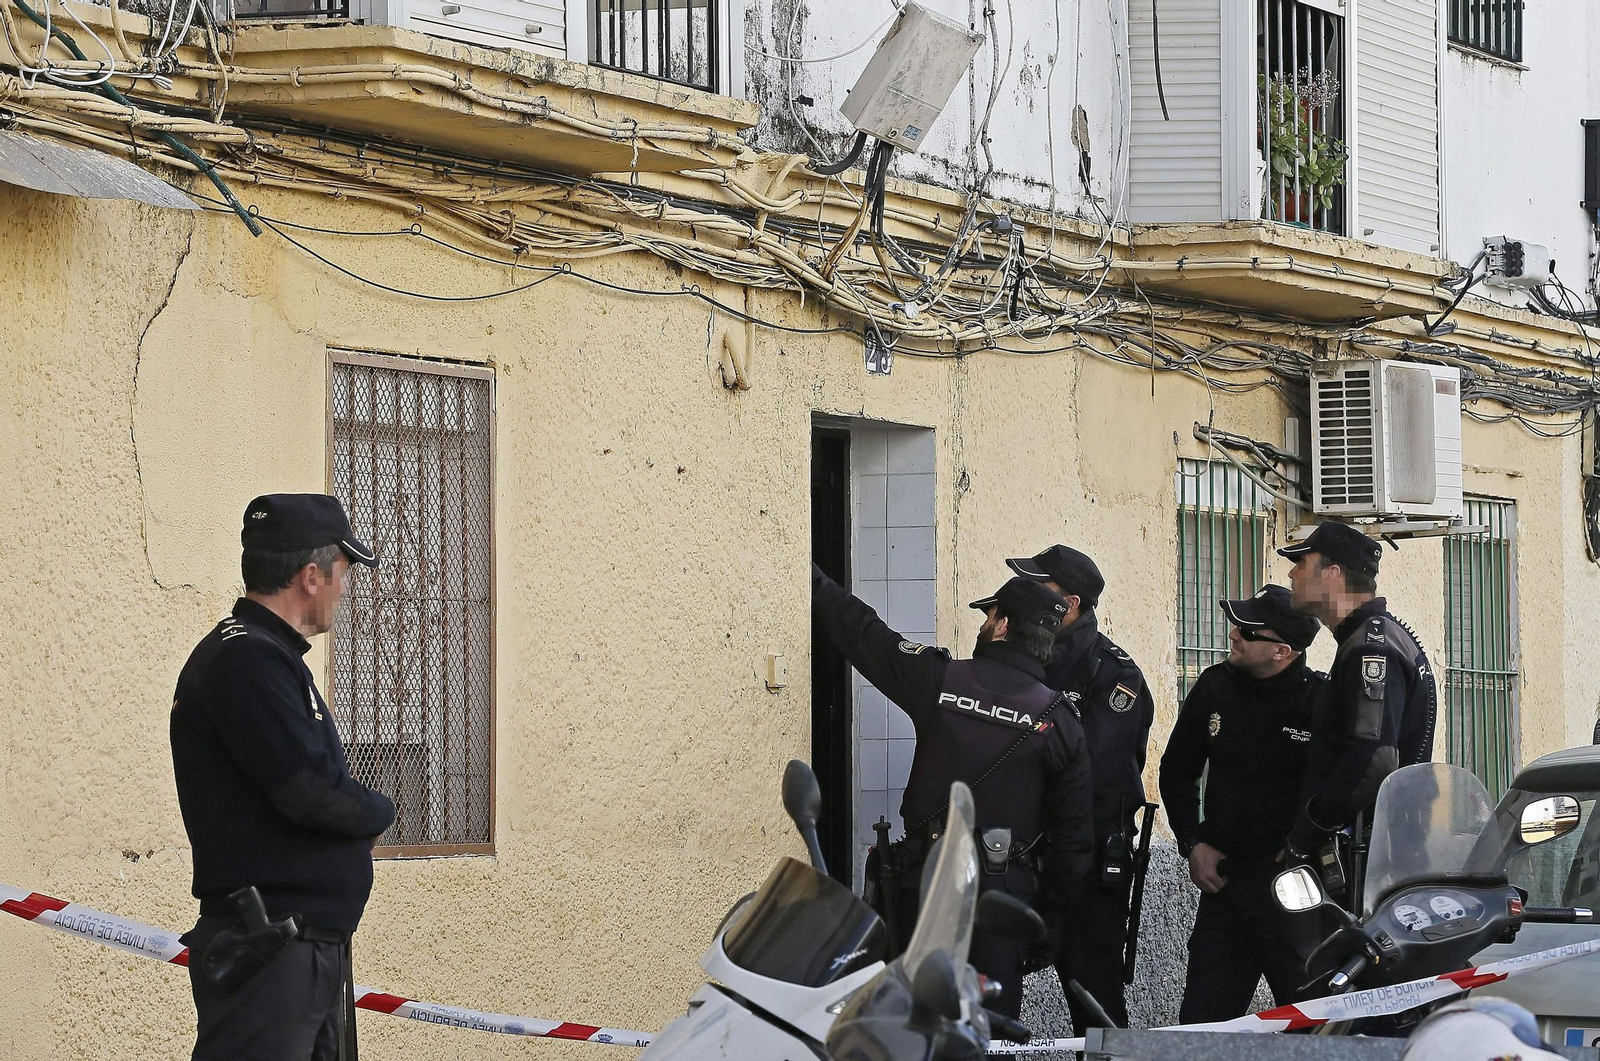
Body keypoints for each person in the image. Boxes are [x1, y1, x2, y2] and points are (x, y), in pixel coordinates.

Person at [811, 562, 1095, 1019]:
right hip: (1003, 904)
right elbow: (1075, 840)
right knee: (987, 1034)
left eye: (989, 616)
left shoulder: (942, 680)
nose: (983, 624)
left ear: (1002, 625)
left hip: (923, 886)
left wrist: (810, 575)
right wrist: (1046, 925)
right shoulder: (1060, 720)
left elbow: (864, 633)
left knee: (905, 1027)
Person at [171, 494, 396, 1061]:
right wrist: (379, 813)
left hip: (299, 945)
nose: (345, 591)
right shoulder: (247, 660)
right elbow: (308, 791)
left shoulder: (269, 656)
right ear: (311, 576)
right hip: (271, 948)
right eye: (343, 574)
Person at [1159, 586, 1326, 1022]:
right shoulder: (1216, 687)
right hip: (1226, 884)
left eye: (1249, 632)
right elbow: (1177, 770)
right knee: (1203, 1024)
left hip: (1296, 892)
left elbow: (1347, 791)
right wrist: (1192, 842)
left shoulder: (1321, 702)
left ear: (1282, 651)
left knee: (1311, 1022)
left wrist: (1301, 848)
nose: (1234, 634)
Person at [1005, 545, 1153, 1030]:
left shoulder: (1113, 674)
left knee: (1094, 1001)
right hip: (1017, 854)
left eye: (1036, 587)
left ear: (1069, 606)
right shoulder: (1021, 660)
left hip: (1086, 860)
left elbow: (1087, 769)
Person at [1280, 522, 1438, 874]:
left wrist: (1310, 832)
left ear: (1332, 573)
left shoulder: (1371, 648)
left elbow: (1375, 760)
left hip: (1373, 860)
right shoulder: (1371, 639)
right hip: (1382, 852)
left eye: (1302, 562)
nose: (1292, 573)